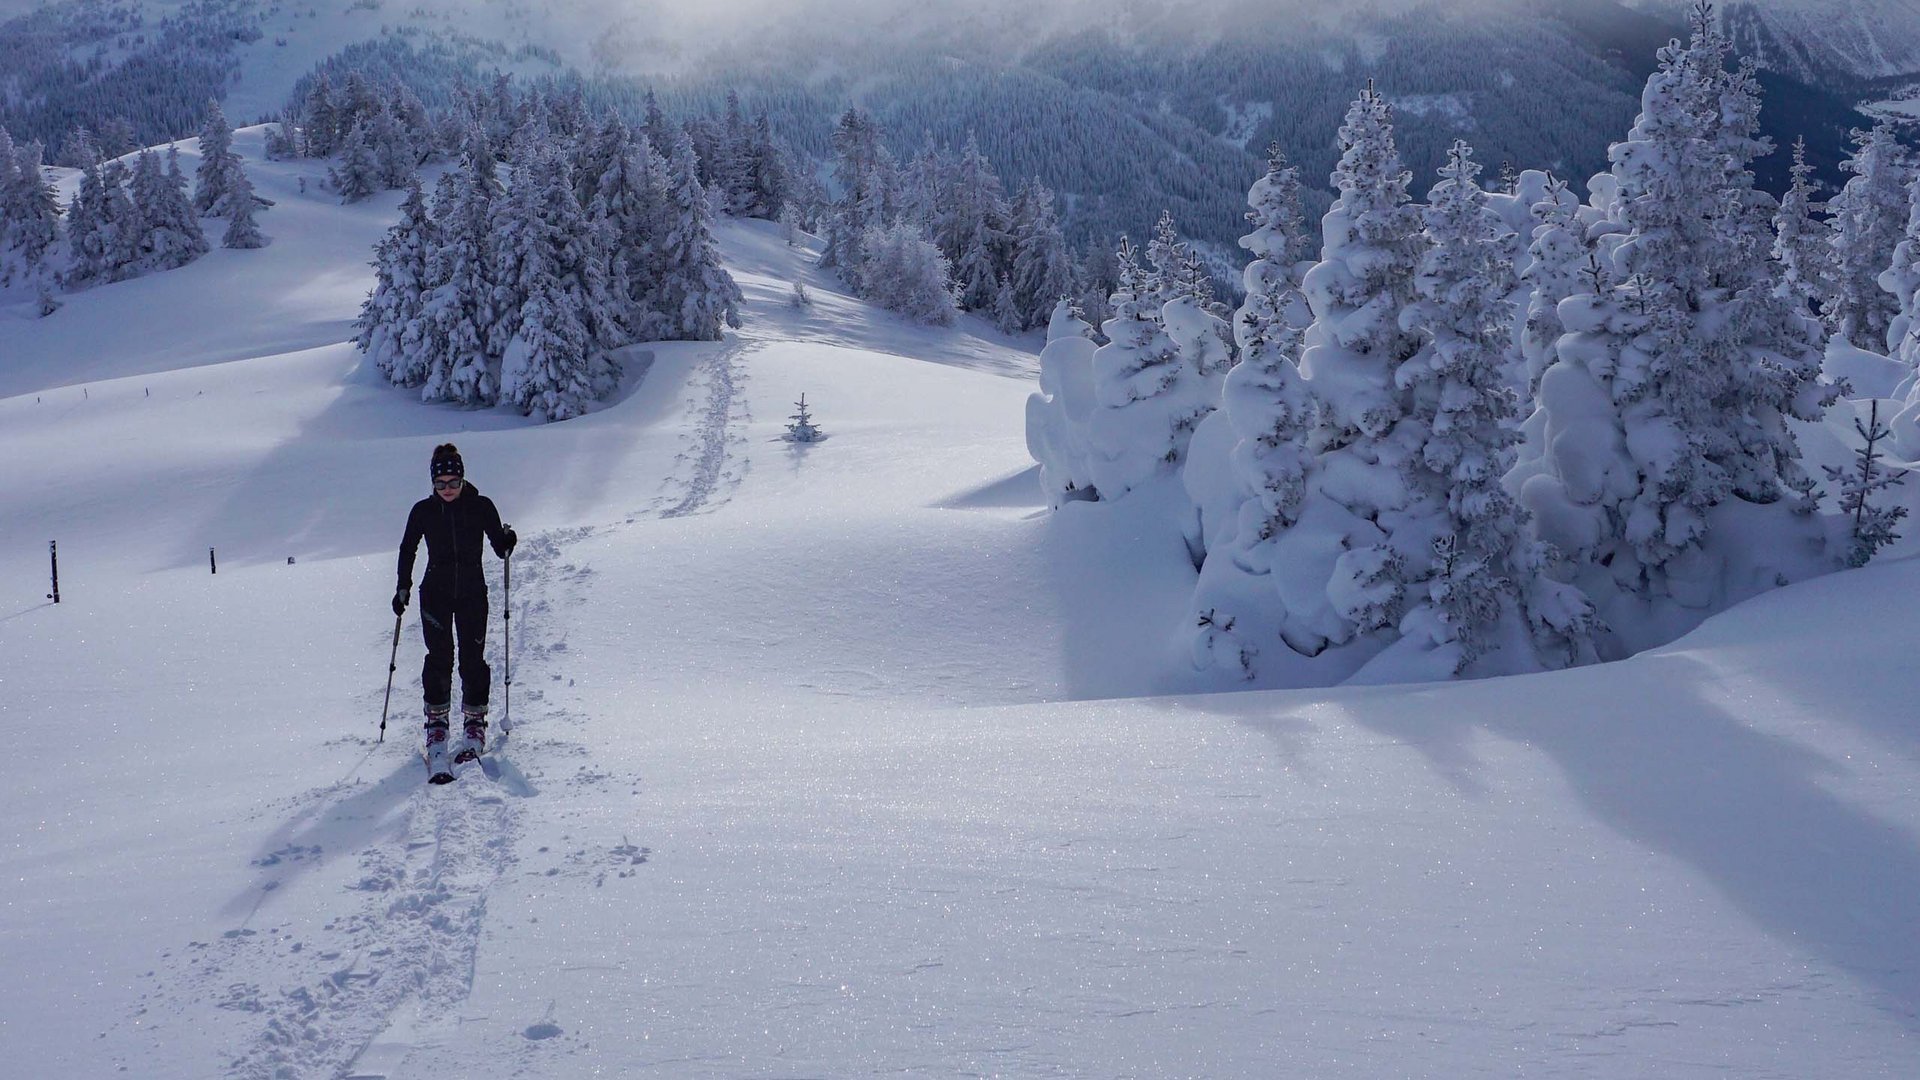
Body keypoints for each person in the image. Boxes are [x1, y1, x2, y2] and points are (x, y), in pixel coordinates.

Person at [394, 443, 516, 777]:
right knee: (439, 658)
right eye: (440, 484)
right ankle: (437, 725)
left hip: (473, 593)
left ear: (463, 479)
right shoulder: (423, 511)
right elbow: (408, 548)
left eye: (453, 482)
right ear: (432, 484)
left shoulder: (480, 506)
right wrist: (402, 585)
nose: (447, 489)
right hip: (434, 593)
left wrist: (506, 542)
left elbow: (497, 545)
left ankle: (475, 724)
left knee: (472, 658)